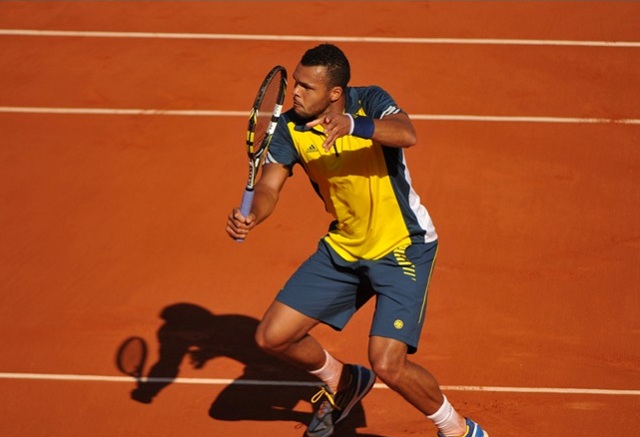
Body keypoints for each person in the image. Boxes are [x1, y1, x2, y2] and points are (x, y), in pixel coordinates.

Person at [226, 44, 488, 437]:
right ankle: (344, 381)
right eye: (296, 83)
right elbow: (268, 187)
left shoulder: (370, 101)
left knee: (388, 363)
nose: (295, 93)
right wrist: (253, 215)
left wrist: (353, 125)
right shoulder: (289, 127)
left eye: (307, 87)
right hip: (345, 247)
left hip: (402, 246)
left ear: (335, 93)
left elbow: (406, 133)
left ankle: (459, 430)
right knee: (272, 337)